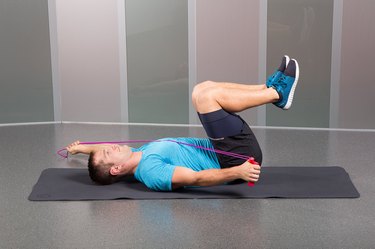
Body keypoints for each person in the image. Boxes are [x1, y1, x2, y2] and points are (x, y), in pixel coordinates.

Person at [66, 56, 299, 191]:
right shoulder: (150, 171)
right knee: (205, 98)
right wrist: (238, 171)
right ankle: (277, 95)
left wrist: (80, 148)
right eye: (108, 152)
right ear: (116, 169)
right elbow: (195, 179)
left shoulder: (137, 155)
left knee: (202, 88)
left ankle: (269, 88)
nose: (111, 146)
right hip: (235, 158)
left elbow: (101, 153)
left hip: (224, 148)